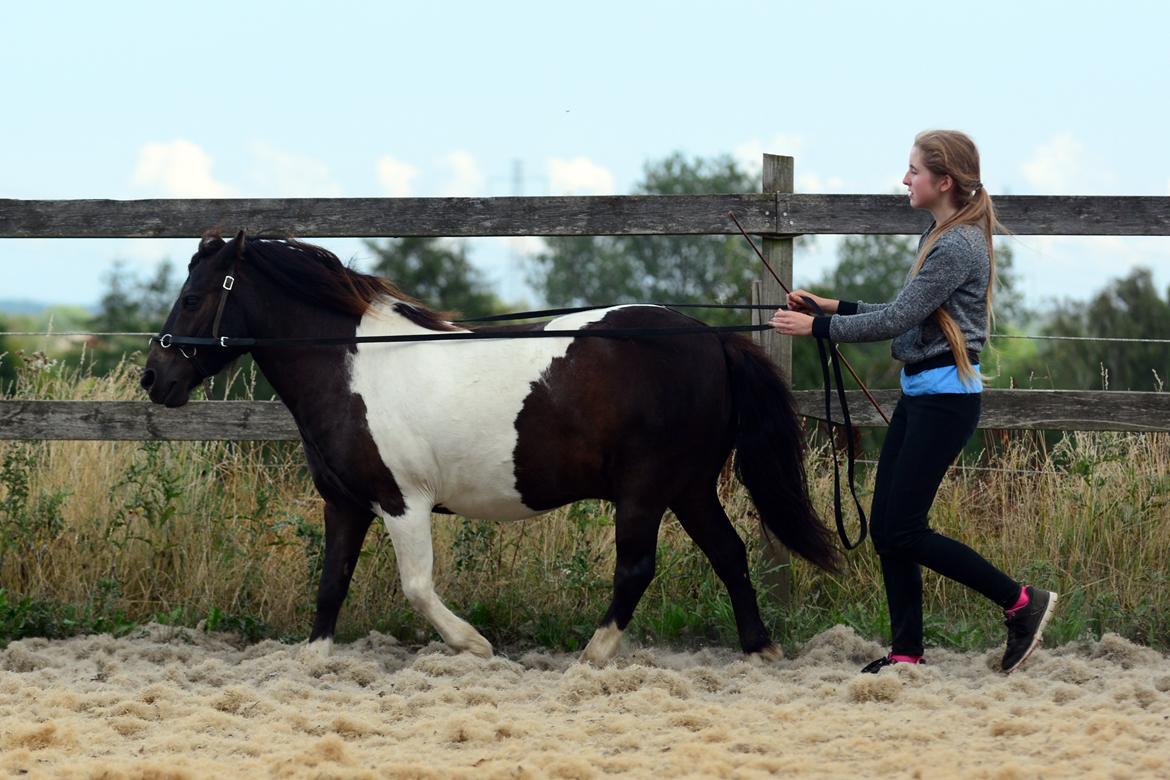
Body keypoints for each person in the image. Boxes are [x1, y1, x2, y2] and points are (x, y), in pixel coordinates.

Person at [769, 129, 1057, 674]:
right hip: (924, 395)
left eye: (913, 171)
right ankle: (906, 654)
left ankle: (1021, 602)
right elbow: (909, 306)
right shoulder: (944, 234)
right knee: (888, 526)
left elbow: (897, 320)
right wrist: (829, 303)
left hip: (944, 401)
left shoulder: (955, 244)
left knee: (902, 528)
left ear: (942, 181)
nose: (905, 180)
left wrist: (818, 327)